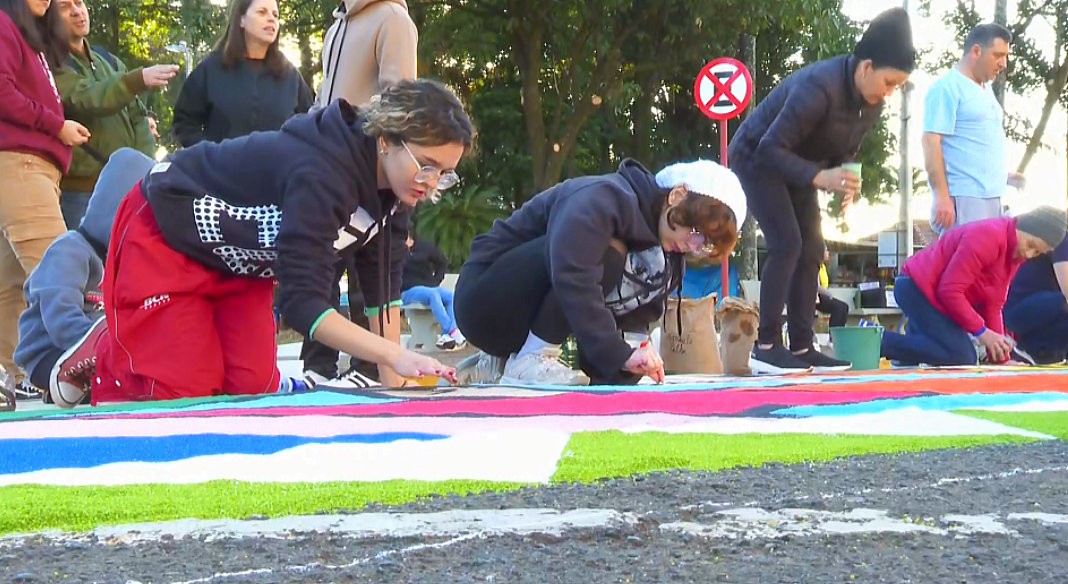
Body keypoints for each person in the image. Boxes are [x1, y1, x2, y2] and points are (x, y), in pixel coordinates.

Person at [47, 79, 474, 406]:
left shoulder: (398, 193)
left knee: (252, 387)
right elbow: (303, 303)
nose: (431, 183)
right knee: (181, 391)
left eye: (445, 173)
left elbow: (383, 286)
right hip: (169, 229)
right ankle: (100, 346)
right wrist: (394, 354)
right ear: (386, 139)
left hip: (238, 263)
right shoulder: (323, 174)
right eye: (427, 165)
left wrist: (397, 379)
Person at [727, 7, 915, 374]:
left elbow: (844, 148)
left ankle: (801, 346)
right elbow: (769, 147)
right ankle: (766, 345)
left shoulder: (871, 103)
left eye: (897, 86)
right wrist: (819, 177)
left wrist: (846, 178)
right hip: (757, 156)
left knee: (812, 248)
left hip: (799, 163)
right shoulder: (818, 87)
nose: (890, 93)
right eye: (889, 82)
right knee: (787, 243)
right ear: (866, 67)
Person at [454, 159, 745, 386]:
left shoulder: (665, 253)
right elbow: (573, 274)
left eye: (704, 246)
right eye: (696, 234)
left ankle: (498, 364)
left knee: (643, 270)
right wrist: (615, 351)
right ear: (677, 196)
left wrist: (629, 358)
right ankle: (531, 358)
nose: (693, 247)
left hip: (516, 319)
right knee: (605, 253)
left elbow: (636, 313)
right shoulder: (602, 198)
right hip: (483, 300)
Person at [302, 0, 418, 388]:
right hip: (327, 168)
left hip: (372, 170)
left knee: (378, 270)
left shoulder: (392, 18)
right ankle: (318, 363)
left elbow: (399, 103)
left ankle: (376, 368)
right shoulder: (338, 25)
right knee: (322, 264)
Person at [0, 0, 90, 403]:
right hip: (19, 165)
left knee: (11, 283)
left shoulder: (29, 37)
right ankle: (90, 364)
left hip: (29, 166)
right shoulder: (4, 26)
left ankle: (18, 372)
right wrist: (57, 126)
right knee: (60, 269)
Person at [15, 148, 153, 407]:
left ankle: (101, 381)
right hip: (49, 352)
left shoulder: (120, 266)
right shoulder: (70, 249)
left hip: (93, 353)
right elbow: (58, 311)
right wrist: (99, 348)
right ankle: (77, 383)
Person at [881, 207, 1066, 367]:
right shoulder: (989, 236)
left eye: (1038, 253)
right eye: (1031, 245)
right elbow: (950, 290)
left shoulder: (1015, 253)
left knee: (958, 353)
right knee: (962, 357)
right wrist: (982, 333)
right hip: (916, 288)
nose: (1029, 253)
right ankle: (881, 341)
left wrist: (1000, 356)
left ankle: (905, 354)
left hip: (937, 299)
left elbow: (994, 304)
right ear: (1023, 226)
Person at [51, 0, 177, 229]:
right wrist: (137, 79)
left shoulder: (107, 60)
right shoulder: (51, 65)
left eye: (79, 2)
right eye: (64, 6)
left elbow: (137, 114)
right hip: (81, 192)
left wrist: (142, 168)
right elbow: (88, 98)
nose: (77, 11)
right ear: (49, 15)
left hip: (129, 188)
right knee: (86, 262)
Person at [171, 0, 313, 147]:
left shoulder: (290, 76)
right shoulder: (211, 69)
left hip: (278, 169)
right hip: (222, 168)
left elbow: (310, 128)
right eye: (262, 12)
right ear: (241, 19)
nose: (271, 19)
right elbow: (184, 124)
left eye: (275, 15)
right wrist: (210, 158)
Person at [925, 24, 1021, 235]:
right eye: (998, 55)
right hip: (967, 198)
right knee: (967, 265)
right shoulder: (947, 87)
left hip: (991, 198)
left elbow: (974, 144)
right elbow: (931, 142)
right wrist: (941, 197)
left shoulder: (984, 89)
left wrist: (1005, 176)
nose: (1003, 63)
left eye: (1006, 56)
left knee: (987, 265)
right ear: (976, 51)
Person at [1003, 235, 1068, 365]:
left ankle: (1049, 352)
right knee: (1063, 303)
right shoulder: (1062, 239)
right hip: (1021, 309)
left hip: (1044, 306)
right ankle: (1034, 350)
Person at [401, 233, 464, 351]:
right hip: (407, 291)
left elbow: (442, 262)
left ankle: (446, 335)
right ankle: (453, 331)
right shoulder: (394, 250)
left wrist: (436, 281)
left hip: (430, 287)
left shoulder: (423, 246)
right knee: (433, 294)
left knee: (452, 297)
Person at [816, 245, 849, 328]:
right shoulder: (815, 267)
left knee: (844, 307)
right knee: (838, 308)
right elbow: (816, 286)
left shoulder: (822, 266)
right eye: (826, 251)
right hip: (817, 296)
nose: (828, 253)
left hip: (824, 295)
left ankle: (839, 332)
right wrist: (829, 294)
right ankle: (833, 334)